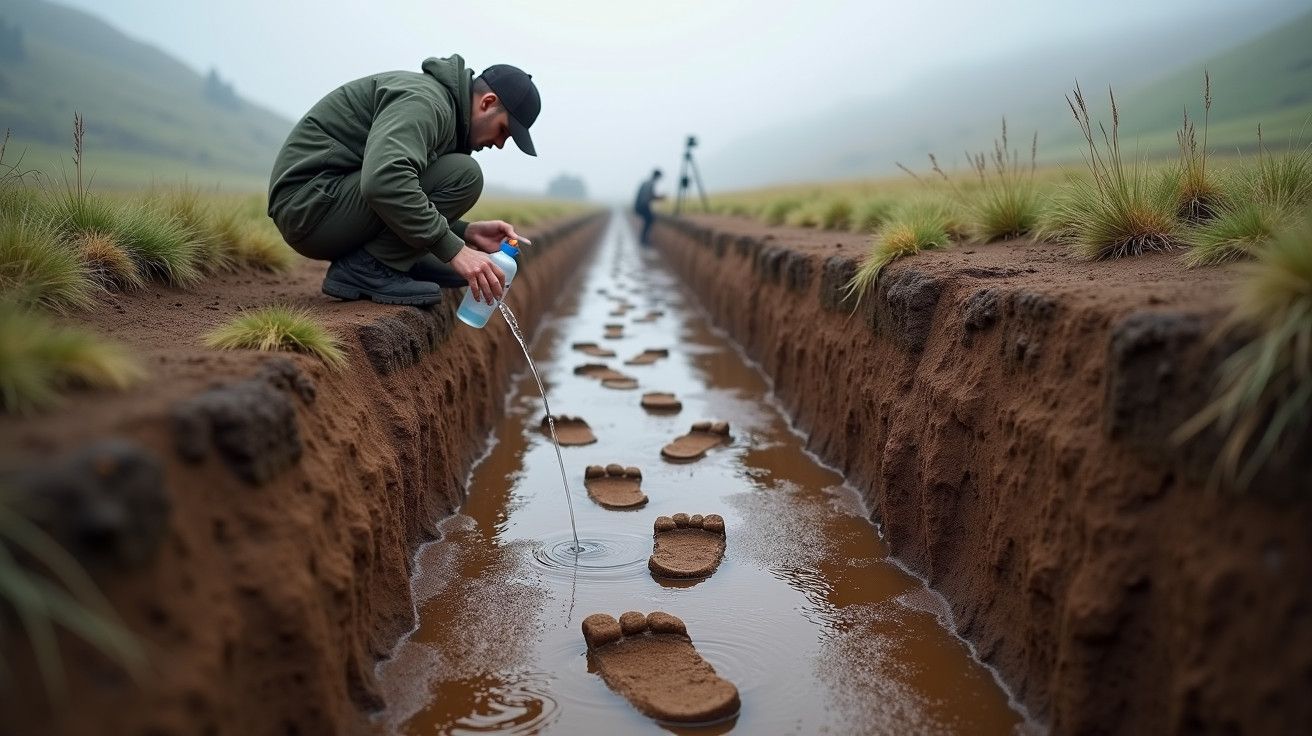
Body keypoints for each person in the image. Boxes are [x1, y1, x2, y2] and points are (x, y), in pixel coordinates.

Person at [267, 55, 540, 307]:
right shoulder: (427, 102)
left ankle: (397, 259)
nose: (500, 144)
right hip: (309, 207)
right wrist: (455, 251)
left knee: (452, 173)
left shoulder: (445, 114)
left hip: (326, 204)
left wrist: (466, 232)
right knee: (465, 174)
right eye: (504, 130)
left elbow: (396, 183)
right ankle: (368, 268)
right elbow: (384, 179)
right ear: (487, 103)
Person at [633, 169, 663, 246]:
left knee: (648, 220)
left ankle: (643, 239)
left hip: (640, 206)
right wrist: (660, 197)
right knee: (650, 219)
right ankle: (643, 240)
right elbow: (649, 197)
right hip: (642, 206)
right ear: (657, 176)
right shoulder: (650, 183)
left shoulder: (646, 182)